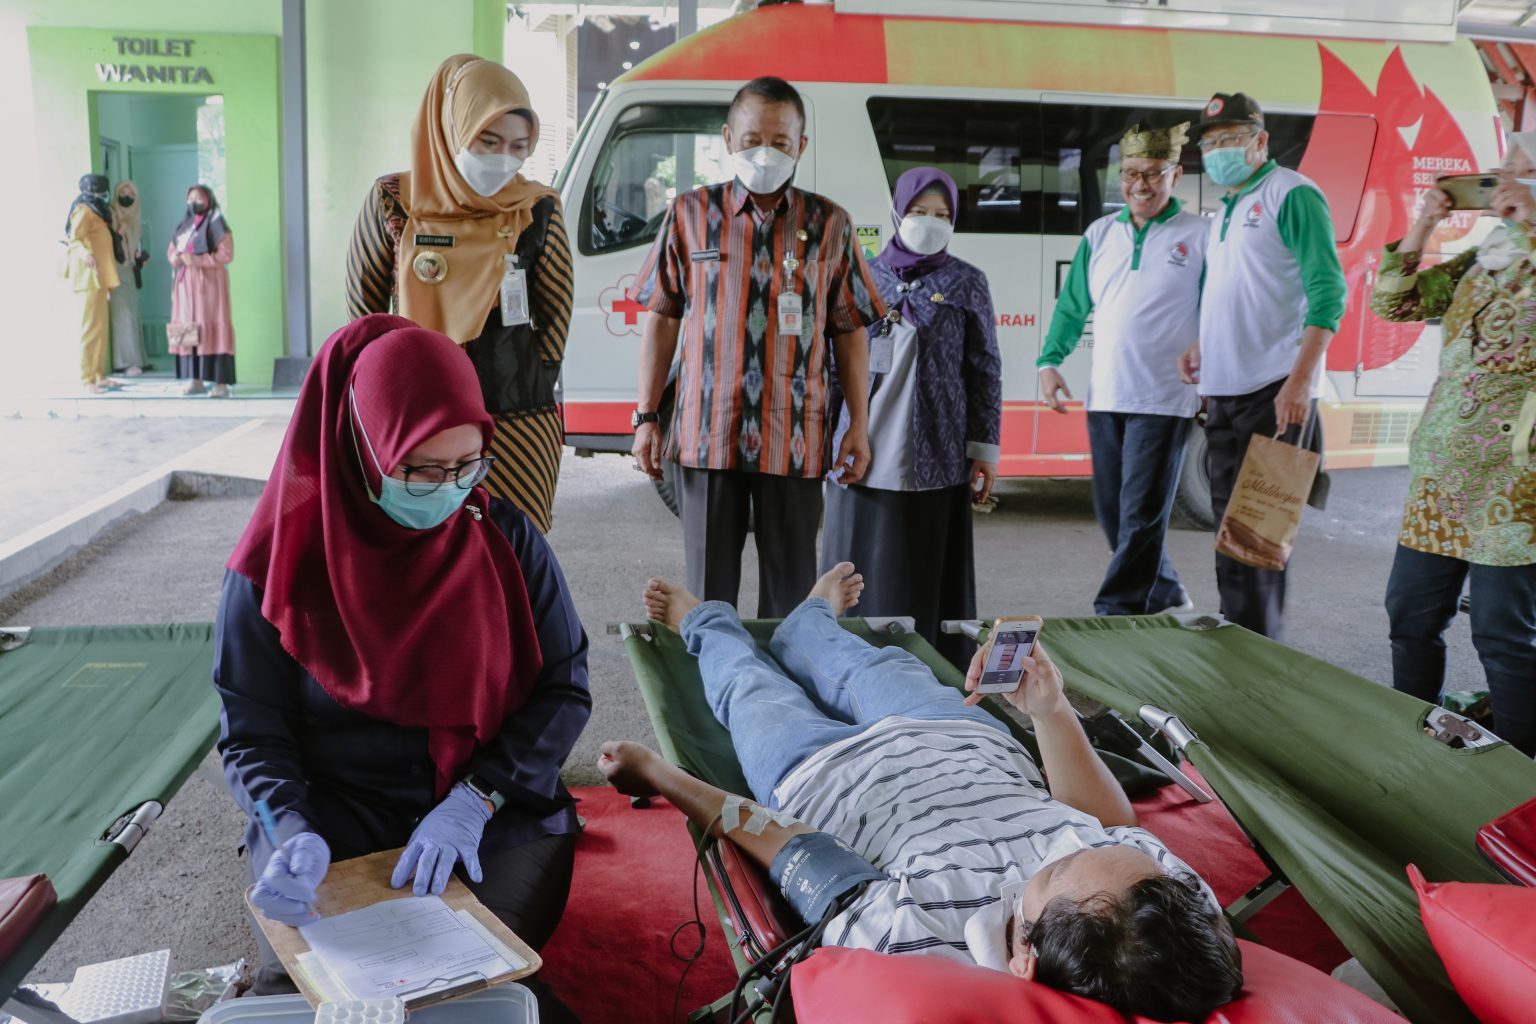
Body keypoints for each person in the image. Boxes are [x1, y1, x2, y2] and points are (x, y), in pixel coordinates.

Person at [602, 566, 1242, 1022]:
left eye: (1060, 866)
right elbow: (1109, 821)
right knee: (870, 664)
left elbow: (791, 844)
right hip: (961, 737)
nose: (1083, 840)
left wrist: (659, 774)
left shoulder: (913, 935)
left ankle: (703, 621)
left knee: (748, 687)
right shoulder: (1174, 906)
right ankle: (809, 621)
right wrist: (1050, 712)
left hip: (822, 774)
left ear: (1024, 953)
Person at [214, 314, 590, 1020]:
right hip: (327, 819)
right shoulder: (276, 570)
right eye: (421, 471)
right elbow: (249, 735)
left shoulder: (506, 543)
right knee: (307, 996)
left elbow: (564, 689)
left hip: (490, 812)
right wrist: (287, 828)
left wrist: (476, 800)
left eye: (469, 465)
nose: (450, 490)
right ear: (363, 447)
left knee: (472, 987)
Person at [629, 75, 885, 617]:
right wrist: (647, 416)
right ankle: (712, 672)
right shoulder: (689, 214)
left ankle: (785, 673)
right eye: (751, 140)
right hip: (706, 433)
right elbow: (662, 318)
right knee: (708, 595)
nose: (764, 153)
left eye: (780, 142)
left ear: (801, 146)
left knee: (791, 598)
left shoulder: (830, 223)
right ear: (728, 138)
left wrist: (858, 424)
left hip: (795, 436)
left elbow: (850, 330)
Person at [347, 55, 572, 535]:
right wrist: (382, 398)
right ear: (452, 128)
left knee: (517, 546)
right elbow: (363, 318)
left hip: (518, 422)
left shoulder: (537, 206)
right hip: (415, 416)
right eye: (488, 141)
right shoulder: (394, 200)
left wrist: (531, 382)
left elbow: (556, 312)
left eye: (517, 146)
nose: (503, 158)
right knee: (421, 546)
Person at [1369, 133, 1536, 757]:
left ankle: (1519, 778)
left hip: (1516, 481)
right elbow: (1396, 303)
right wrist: (1425, 222)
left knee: (1502, 635)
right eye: (1503, 171)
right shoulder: (1487, 253)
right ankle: (1414, 744)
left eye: (1524, 172)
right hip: (1441, 473)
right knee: (1410, 616)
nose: (1506, 183)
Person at [1178, 93, 1345, 641]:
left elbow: (1328, 295)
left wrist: (1299, 383)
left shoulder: (1291, 194)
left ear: (1261, 141)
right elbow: (1235, 292)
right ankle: (1237, 643)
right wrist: (1201, 344)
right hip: (1226, 393)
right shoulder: (1225, 209)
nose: (1220, 151)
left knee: (1261, 544)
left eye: (1231, 139)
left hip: (1275, 394)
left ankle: (1262, 654)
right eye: (1211, 143)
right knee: (1230, 540)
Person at [820, 167, 1000, 666]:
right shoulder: (861, 276)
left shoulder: (967, 282)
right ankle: (848, 669)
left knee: (925, 575)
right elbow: (831, 366)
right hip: (859, 453)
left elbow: (985, 370)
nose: (929, 222)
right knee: (858, 572)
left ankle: (934, 673)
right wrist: (823, 440)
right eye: (919, 211)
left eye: (941, 214)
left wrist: (984, 450)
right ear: (898, 213)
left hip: (938, 457)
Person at [1041, 123, 1205, 617]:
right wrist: (1050, 361)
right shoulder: (1100, 234)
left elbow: (1223, 305)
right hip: (1107, 395)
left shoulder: (1201, 235)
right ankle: (1167, 591)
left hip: (1165, 397)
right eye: (1130, 173)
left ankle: (1116, 610)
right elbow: (1073, 306)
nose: (1140, 184)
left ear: (1174, 174)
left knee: (1141, 513)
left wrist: (1206, 345)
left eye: (1152, 173)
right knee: (1113, 512)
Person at [167, 184, 235, 397]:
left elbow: (226, 254)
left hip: (209, 285)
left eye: (198, 198)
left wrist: (198, 260)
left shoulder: (217, 223)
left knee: (212, 328)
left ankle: (220, 384)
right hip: (185, 287)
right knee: (188, 328)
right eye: (190, 198)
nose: (193, 202)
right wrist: (177, 258)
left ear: (208, 200)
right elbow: (171, 250)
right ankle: (194, 380)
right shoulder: (184, 226)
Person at [63, 173, 119, 394]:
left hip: (99, 278)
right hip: (88, 278)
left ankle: (99, 375)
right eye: (100, 189)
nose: (103, 193)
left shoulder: (98, 211)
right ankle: (87, 379)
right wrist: (86, 253)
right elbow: (74, 238)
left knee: (100, 328)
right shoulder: (84, 210)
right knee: (89, 329)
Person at [109, 180, 149, 377]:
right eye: (123, 193)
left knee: (132, 314)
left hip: (130, 271)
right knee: (121, 315)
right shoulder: (111, 215)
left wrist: (140, 258)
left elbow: (134, 249)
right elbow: (105, 244)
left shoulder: (135, 219)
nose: (127, 197)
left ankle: (137, 360)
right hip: (115, 269)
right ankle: (124, 362)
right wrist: (118, 234)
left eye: (131, 194)